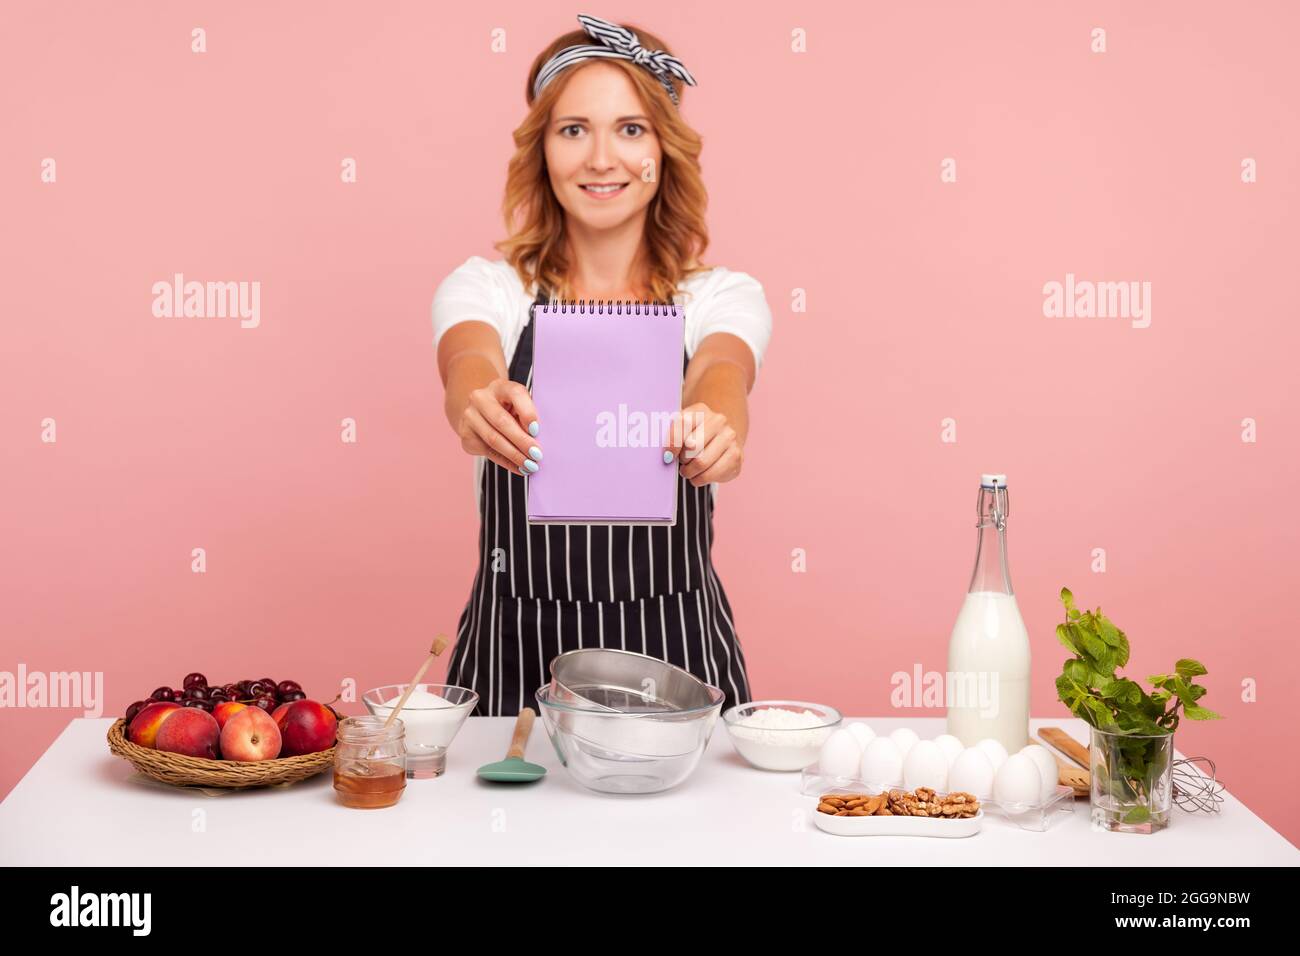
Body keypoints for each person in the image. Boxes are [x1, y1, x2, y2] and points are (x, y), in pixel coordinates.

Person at [432, 14, 772, 716]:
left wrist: (717, 424)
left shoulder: (717, 297)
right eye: (573, 129)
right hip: (512, 655)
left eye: (630, 129)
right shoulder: (490, 290)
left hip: (675, 650)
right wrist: (478, 402)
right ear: (542, 150)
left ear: (664, 148)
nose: (600, 159)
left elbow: (723, 371)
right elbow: (468, 357)